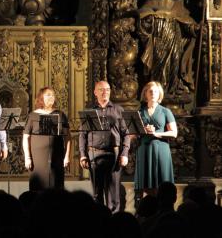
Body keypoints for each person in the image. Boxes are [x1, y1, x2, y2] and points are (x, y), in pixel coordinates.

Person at [137, 0, 197, 102]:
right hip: (159, 37)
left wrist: (194, 28)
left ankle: (173, 90)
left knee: (175, 61)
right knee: (159, 66)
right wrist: (149, 19)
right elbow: (144, 13)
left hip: (174, 35)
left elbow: (185, 19)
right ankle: (158, 94)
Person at [79, 81, 130, 212]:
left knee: (114, 194)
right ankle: (100, 221)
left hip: (114, 154)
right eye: (101, 89)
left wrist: (124, 154)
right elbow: (82, 135)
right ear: (95, 92)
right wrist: (83, 155)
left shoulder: (118, 110)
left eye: (107, 89)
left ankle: (114, 225)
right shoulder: (89, 111)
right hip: (94, 155)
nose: (105, 92)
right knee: (97, 193)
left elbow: (126, 134)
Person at [22, 87, 71, 190]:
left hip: (57, 156)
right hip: (37, 158)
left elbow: (68, 137)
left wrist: (66, 156)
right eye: (48, 95)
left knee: (56, 187)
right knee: (38, 187)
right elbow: (26, 137)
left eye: (53, 95)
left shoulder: (60, 115)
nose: (51, 97)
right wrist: (27, 157)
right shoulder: (33, 115)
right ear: (41, 98)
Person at [134, 81, 177, 196]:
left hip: (160, 149)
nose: (153, 93)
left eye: (156, 91)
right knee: (145, 185)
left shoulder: (165, 111)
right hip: (144, 149)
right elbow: (133, 133)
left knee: (162, 184)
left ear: (159, 94)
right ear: (146, 94)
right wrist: (141, 131)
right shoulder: (140, 112)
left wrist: (157, 134)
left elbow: (174, 133)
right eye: (150, 91)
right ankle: (148, 209)